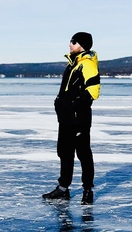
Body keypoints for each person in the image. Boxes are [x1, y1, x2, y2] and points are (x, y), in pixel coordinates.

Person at [42, 32, 100, 205]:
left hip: (79, 119)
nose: (70, 44)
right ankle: (63, 189)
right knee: (64, 153)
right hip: (66, 118)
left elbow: (93, 92)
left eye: (73, 42)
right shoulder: (72, 65)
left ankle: (87, 190)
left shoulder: (87, 65)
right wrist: (60, 103)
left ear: (81, 45)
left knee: (83, 154)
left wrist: (74, 104)